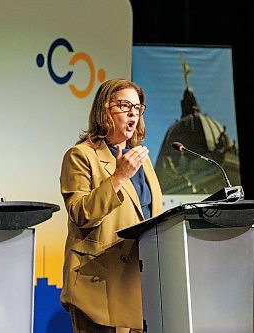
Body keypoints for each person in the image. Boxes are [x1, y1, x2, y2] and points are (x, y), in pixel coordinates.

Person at [59, 78, 163, 333]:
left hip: (139, 285)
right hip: (99, 285)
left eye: (137, 108)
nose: (133, 113)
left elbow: (151, 215)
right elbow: (81, 214)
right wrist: (118, 177)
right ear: (104, 109)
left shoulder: (141, 159)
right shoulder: (81, 156)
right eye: (125, 105)